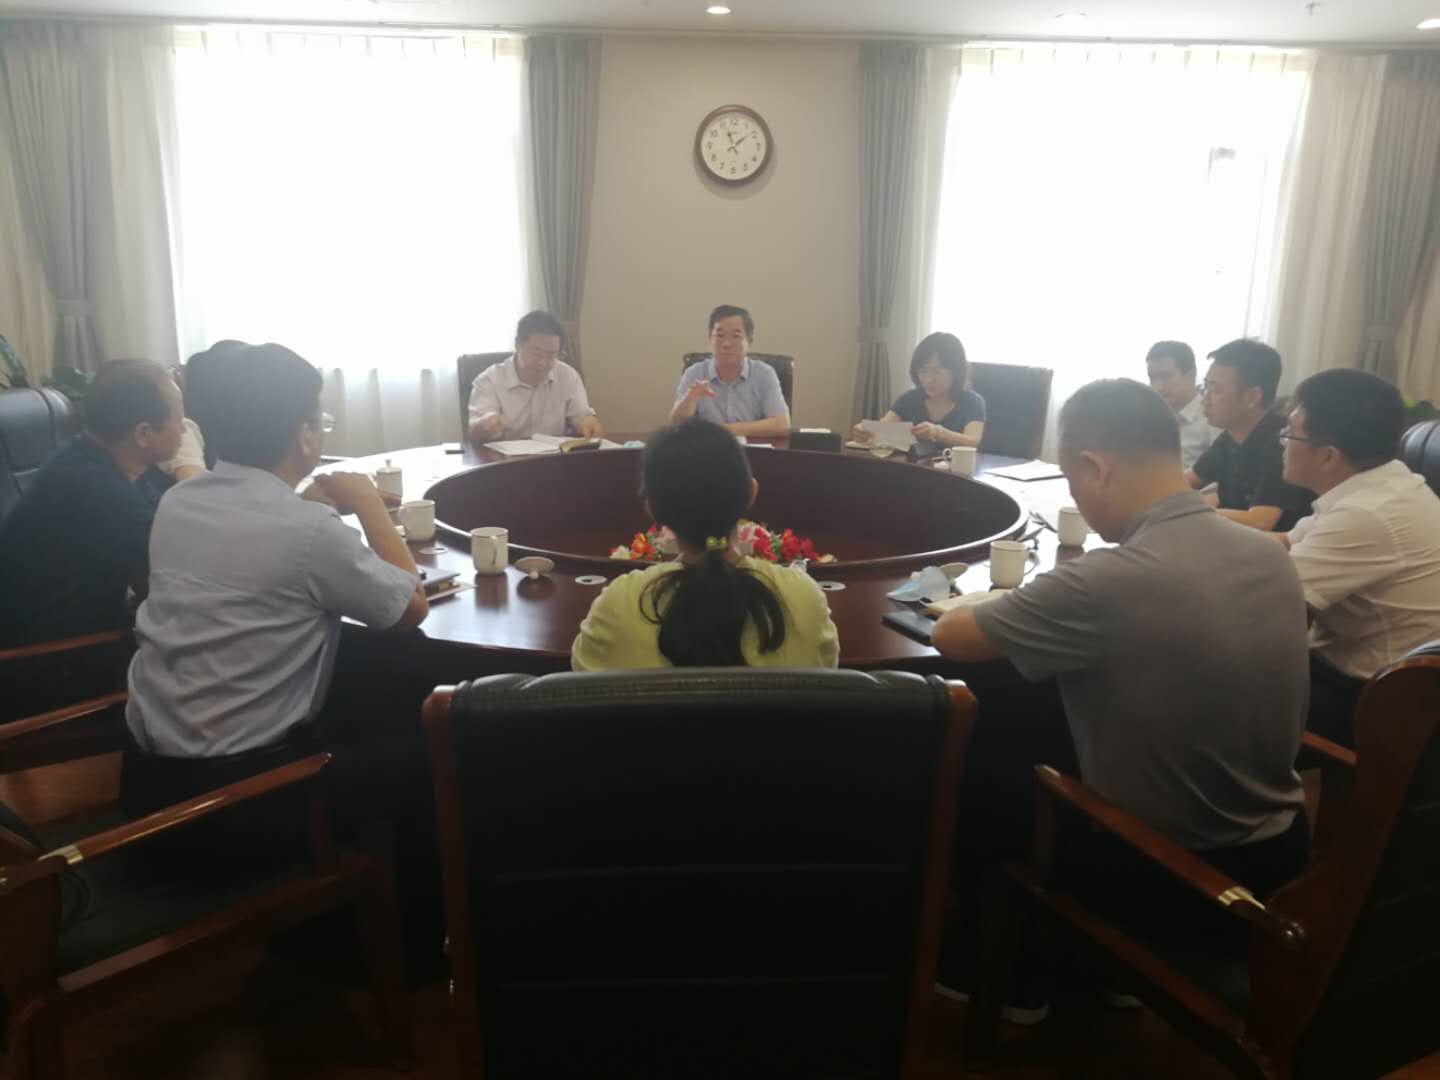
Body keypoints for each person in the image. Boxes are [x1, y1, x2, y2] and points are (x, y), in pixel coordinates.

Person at [931, 379, 1309, 1004]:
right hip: (1280, 862)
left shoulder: (1108, 579)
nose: (1075, 497)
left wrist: (1004, 603)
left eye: (1072, 482)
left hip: (1165, 873)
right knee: (1041, 711)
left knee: (984, 743)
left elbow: (951, 635)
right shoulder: (1269, 556)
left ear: (1096, 467)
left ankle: (1011, 974)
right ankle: (1099, 969)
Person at [572, 419, 838, 670]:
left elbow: (582, 687)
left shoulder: (618, 605)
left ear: (652, 508)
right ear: (751, 493)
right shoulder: (804, 600)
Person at [1276, 369, 1440, 746]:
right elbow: (1283, 542)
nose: (1282, 442)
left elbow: (1265, 599)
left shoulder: (1367, 514)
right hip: (1369, 676)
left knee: (1210, 684)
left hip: (1381, 703)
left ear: (1328, 455)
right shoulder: (1383, 483)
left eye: (1289, 432)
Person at [0, 358, 200, 648]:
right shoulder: (96, 489)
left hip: (84, 629)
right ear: (143, 434)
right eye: (178, 419)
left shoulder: (99, 459)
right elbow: (176, 575)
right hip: (47, 655)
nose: (184, 430)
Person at [1186, 339, 1312, 532]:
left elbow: (1261, 520)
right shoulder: (1230, 437)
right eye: (1205, 387)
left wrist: (1192, 511)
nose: (1205, 399)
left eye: (1215, 389)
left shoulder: (1283, 442)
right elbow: (1187, 481)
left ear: (1252, 397)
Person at [467, 310, 604, 444]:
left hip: (553, 455)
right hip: (503, 457)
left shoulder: (567, 375)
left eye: (551, 355)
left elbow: (581, 416)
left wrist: (587, 422)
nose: (543, 362)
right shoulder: (489, 380)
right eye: (536, 353)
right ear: (518, 345)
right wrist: (486, 424)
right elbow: (474, 434)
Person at [852, 332, 986, 457]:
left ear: (956, 372)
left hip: (956, 470)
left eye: (937, 372)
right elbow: (882, 430)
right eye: (923, 371)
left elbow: (973, 442)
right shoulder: (910, 399)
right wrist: (865, 432)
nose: (928, 379)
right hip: (916, 469)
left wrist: (938, 433)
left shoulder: (972, 402)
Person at [670, 305, 791, 437]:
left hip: (750, 448)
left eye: (735, 336)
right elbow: (676, 425)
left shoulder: (764, 374)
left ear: (749, 342)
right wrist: (691, 397)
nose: (726, 344)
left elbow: (782, 424)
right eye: (720, 335)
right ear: (710, 339)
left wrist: (723, 431)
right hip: (707, 447)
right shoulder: (695, 373)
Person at [1145, 339, 1214, 468]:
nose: (1157, 387)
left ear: (1191, 375)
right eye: (1152, 378)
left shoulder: (1212, 419)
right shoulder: (1151, 418)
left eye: (1165, 377)